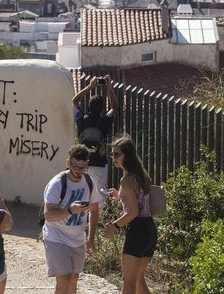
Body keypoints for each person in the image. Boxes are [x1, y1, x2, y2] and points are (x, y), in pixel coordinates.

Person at [42, 144, 101, 294]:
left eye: (83, 168)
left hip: (77, 238)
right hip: (56, 237)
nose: (80, 172)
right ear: (68, 163)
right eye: (76, 167)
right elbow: (48, 215)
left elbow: (94, 210)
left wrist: (91, 238)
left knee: (74, 279)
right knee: (64, 278)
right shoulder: (57, 184)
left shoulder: (88, 182)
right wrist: (69, 210)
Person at [104, 137, 157, 294]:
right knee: (139, 279)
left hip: (137, 230)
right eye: (112, 154)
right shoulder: (141, 175)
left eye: (116, 154)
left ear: (127, 155)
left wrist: (114, 226)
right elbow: (139, 201)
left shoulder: (126, 179)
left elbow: (133, 212)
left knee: (128, 283)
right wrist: (119, 197)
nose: (113, 157)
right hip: (150, 229)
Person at [71, 75, 118, 191]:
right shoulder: (104, 121)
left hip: (82, 162)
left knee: (82, 192)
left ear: (88, 106)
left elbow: (75, 101)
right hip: (100, 163)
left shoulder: (81, 119)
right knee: (99, 195)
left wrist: (90, 86)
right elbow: (115, 108)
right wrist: (109, 87)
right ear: (102, 108)